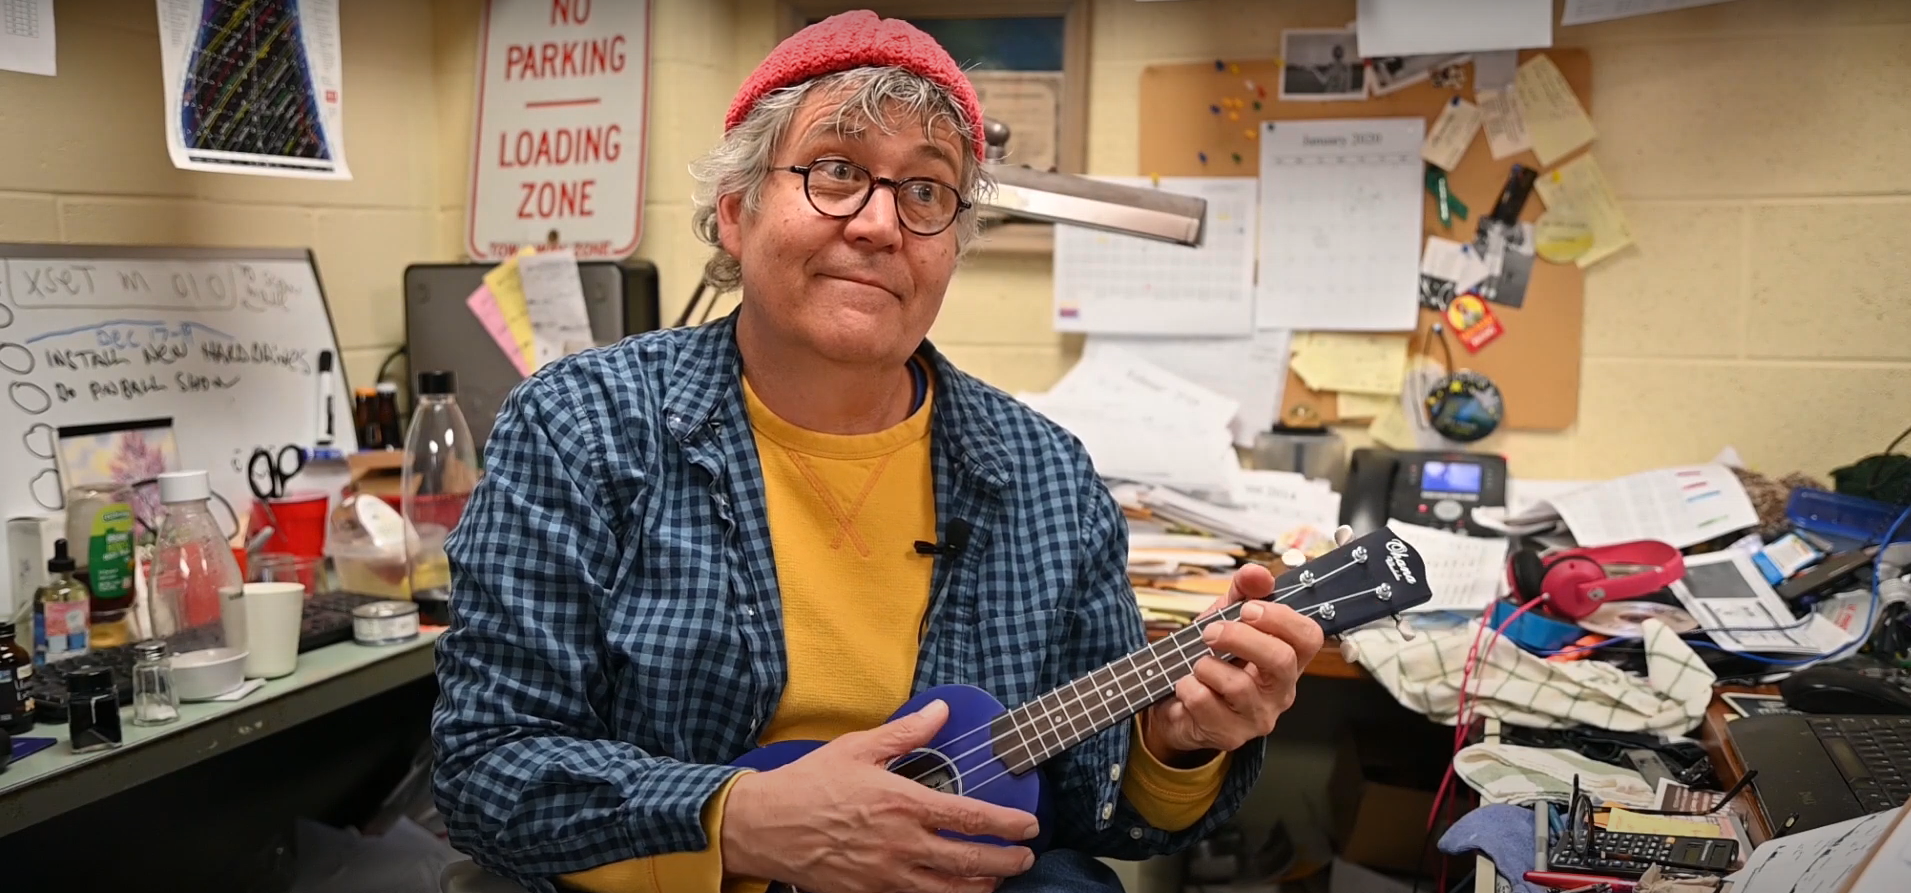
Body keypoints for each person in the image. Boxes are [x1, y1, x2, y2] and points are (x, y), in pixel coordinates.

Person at [431, 11, 1327, 893]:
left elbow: (1103, 816)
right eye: (835, 171)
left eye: (926, 191)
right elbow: (487, 769)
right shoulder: (580, 427)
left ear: (949, 247)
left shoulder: (1046, 477)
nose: (877, 224)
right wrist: (744, 817)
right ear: (737, 216)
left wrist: (1180, 740)